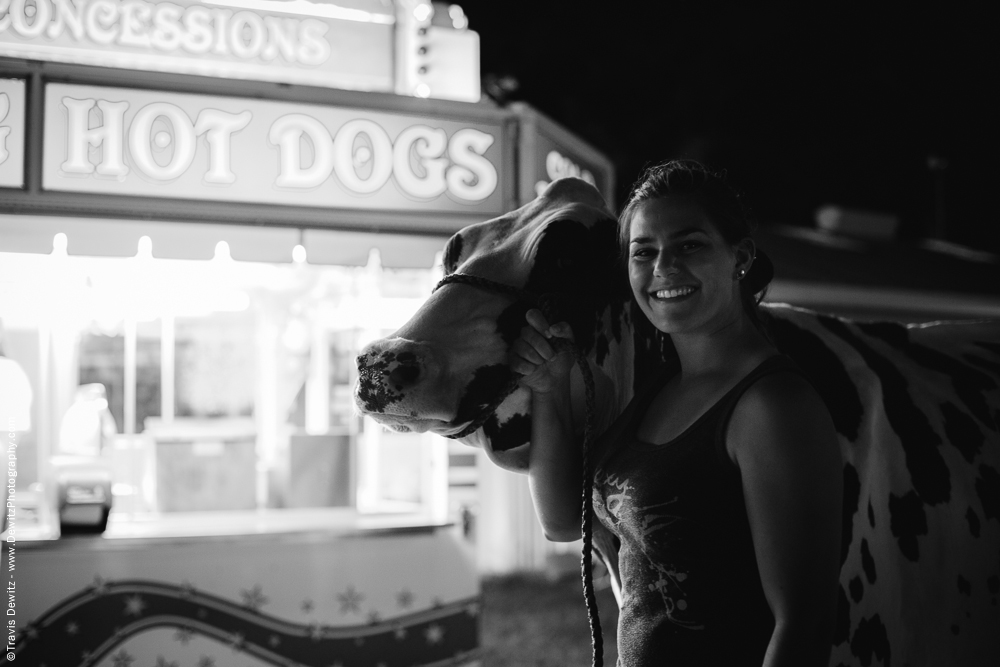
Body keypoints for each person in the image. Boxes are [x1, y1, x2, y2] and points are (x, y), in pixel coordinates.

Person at [510, 160, 843, 666]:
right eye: (643, 252)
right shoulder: (661, 386)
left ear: (741, 257)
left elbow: (803, 623)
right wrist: (548, 388)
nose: (663, 267)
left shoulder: (772, 407)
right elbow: (561, 521)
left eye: (689, 245)